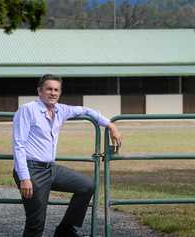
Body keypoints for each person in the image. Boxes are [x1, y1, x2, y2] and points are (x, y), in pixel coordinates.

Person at [12, 74, 122, 237]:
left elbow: (86, 111)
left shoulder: (60, 110)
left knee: (87, 186)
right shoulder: (28, 110)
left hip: (51, 169)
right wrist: (24, 177)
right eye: (49, 89)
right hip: (32, 171)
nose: (53, 93)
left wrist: (110, 125)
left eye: (56, 90)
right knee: (36, 224)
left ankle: (65, 230)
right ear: (39, 91)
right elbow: (18, 145)